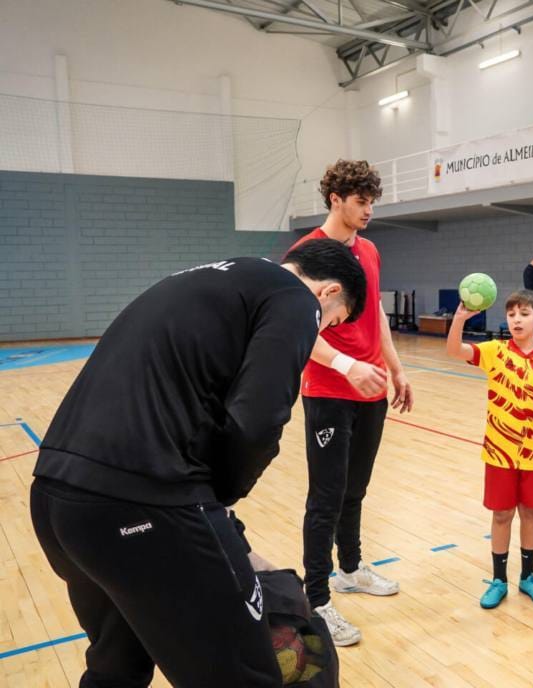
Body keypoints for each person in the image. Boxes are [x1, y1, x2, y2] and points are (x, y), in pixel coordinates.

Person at [31, 240, 367, 687]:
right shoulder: (295, 298)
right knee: (247, 673)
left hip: (56, 499)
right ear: (328, 292)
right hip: (141, 502)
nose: (320, 331)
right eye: (332, 321)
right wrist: (221, 516)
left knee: (117, 666)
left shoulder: (207, 279)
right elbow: (258, 418)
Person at [289, 160, 414, 647]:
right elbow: (299, 327)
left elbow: (376, 311)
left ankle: (351, 567)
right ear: (336, 199)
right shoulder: (304, 254)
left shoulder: (370, 250)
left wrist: (396, 368)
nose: (368, 211)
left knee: (355, 488)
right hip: (328, 391)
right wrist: (346, 366)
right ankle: (316, 598)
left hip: (373, 388)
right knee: (326, 497)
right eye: (360, 201)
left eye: (371, 202)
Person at [446, 290, 533, 609]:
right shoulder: (495, 351)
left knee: (530, 512)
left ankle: (528, 576)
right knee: (502, 514)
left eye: (524, 314)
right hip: (499, 451)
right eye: (512, 314)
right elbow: (455, 350)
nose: (516, 319)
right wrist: (459, 319)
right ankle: (499, 580)